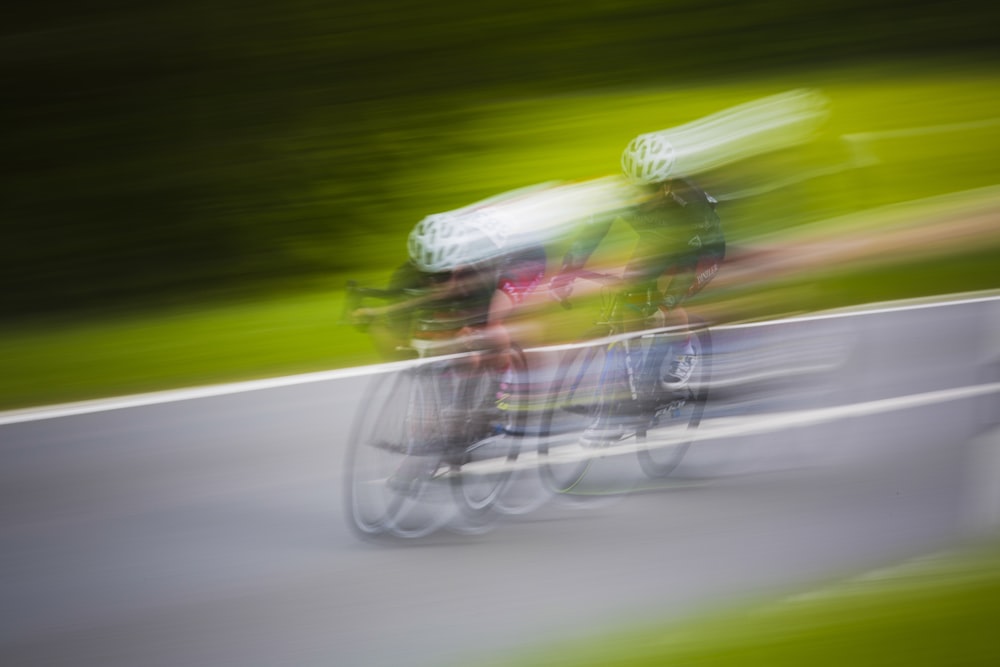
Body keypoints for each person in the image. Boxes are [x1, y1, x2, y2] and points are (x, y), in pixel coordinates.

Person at [551, 133, 725, 437]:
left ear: (668, 184)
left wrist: (666, 301)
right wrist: (569, 268)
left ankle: (684, 351)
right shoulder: (622, 195)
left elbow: (687, 265)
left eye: (652, 189)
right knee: (627, 298)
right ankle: (631, 391)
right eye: (638, 188)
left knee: (666, 307)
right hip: (656, 242)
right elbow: (594, 229)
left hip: (699, 248)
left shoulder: (689, 201)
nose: (644, 195)